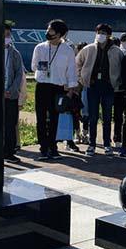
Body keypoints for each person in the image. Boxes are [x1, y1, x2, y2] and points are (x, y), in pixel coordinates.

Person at [31, 19, 79, 160]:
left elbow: (71, 71)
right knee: (41, 117)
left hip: (58, 87)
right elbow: (34, 66)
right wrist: (43, 67)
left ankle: (53, 147)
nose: (48, 33)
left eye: (51, 31)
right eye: (48, 30)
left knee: (54, 118)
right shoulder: (40, 48)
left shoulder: (67, 50)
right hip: (42, 85)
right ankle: (43, 148)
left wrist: (70, 90)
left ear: (60, 34)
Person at [76, 24, 123, 156]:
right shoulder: (88, 49)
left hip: (108, 87)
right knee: (92, 116)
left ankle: (107, 144)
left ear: (109, 35)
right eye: (99, 32)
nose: (100, 35)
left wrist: (117, 83)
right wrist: (82, 79)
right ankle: (92, 144)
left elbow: (121, 68)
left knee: (107, 117)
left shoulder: (116, 51)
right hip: (93, 86)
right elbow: (77, 64)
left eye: (104, 33)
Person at [3, 22, 24, 163]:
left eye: (8, 35)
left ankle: (9, 152)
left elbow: (19, 74)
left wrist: (11, 89)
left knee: (10, 124)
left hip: (11, 95)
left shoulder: (15, 53)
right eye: (4, 35)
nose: (6, 37)